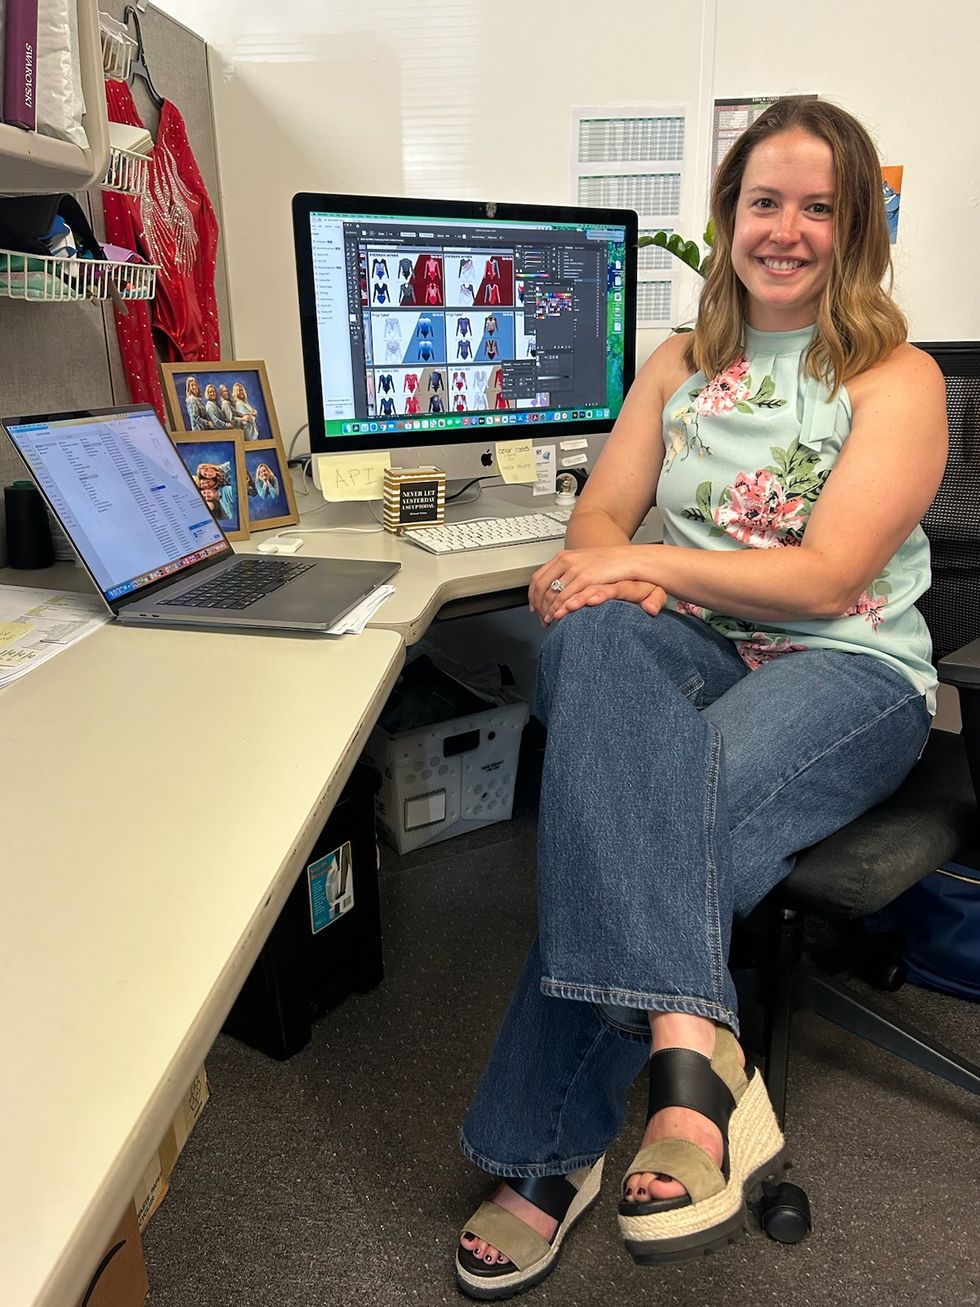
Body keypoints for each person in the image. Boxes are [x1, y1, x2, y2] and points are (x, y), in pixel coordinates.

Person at [454, 96, 948, 1300]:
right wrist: (603, 566)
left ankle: (543, 1154)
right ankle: (696, 1042)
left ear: (857, 228)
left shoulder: (894, 376)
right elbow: (594, 522)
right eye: (761, 202)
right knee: (593, 639)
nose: (784, 230)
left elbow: (829, 577)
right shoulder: (676, 364)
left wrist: (644, 565)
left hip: (849, 668)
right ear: (727, 216)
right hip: (695, 651)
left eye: (817, 207)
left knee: (638, 813)